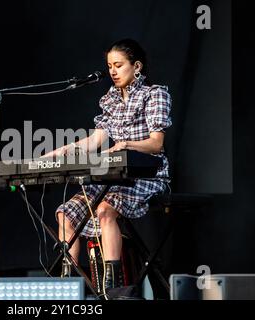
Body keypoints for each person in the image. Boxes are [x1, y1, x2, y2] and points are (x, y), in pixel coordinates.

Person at [44, 38, 172, 291]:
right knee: (65, 213)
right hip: (113, 178)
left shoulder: (155, 94)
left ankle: (112, 287)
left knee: (104, 209)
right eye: (110, 66)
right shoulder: (110, 100)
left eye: (119, 65)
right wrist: (60, 152)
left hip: (147, 175)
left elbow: (156, 144)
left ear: (136, 66)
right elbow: (96, 139)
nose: (112, 71)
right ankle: (71, 286)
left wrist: (127, 144)